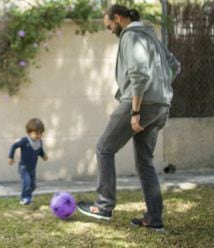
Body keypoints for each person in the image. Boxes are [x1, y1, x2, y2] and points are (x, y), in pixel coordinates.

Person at [77, 4, 180, 232]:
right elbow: (174, 65)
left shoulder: (130, 35)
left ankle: (103, 206)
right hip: (161, 105)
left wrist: (135, 110)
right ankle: (154, 219)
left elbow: (139, 73)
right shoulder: (151, 36)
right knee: (145, 163)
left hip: (141, 105)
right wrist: (160, 90)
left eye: (109, 25)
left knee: (104, 147)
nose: (110, 30)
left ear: (118, 18)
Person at [8, 118, 48, 205]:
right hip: (23, 167)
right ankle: (25, 198)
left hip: (32, 168)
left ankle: (28, 196)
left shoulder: (39, 142)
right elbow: (14, 146)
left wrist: (43, 155)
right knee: (27, 182)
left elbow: (40, 150)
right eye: (37, 133)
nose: (39, 136)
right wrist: (11, 157)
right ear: (29, 132)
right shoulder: (24, 141)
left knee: (33, 185)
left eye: (41, 133)